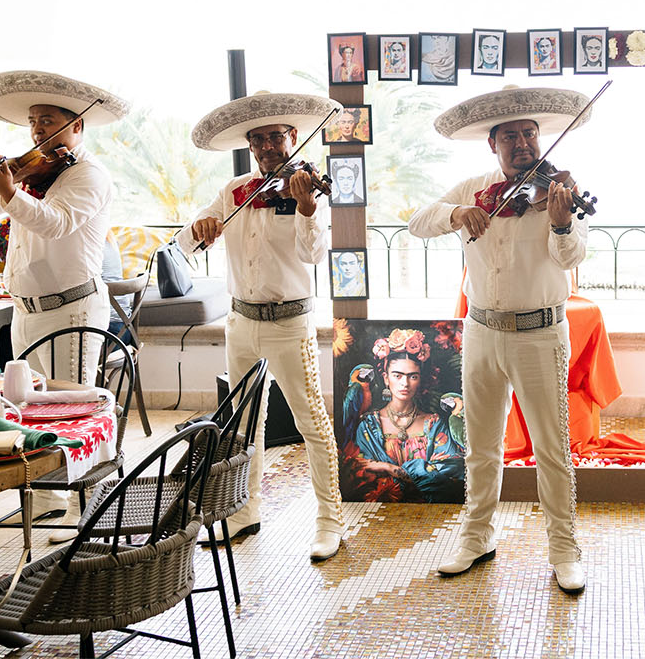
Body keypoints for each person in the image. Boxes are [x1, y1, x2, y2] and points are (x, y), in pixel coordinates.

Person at [407, 85, 593, 594]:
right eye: (510, 136)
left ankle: (563, 549)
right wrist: (454, 215)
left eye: (529, 134)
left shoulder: (556, 189)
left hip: (539, 334)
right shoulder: (473, 188)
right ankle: (477, 536)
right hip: (481, 331)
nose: (522, 144)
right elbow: (416, 223)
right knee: (481, 445)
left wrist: (561, 223)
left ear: (540, 138)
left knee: (551, 449)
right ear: (493, 144)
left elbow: (572, 259)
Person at [0, 70, 126, 518]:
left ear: (77, 125)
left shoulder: (90, 174)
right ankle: (48, 497)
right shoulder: (32, 171)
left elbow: (55, 221)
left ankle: (92, 503)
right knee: (28, 405)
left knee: (74, 406)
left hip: (71, 308)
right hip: (24, 308)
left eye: (47, 119)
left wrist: (8, 189)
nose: (37, 130)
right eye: (32, 122)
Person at [178, 91, 346, 562]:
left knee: (309, 420)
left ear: (293, 138)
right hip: (240, 321)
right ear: (250, 146)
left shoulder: (304, 188)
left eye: (277, 136)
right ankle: (242, 512)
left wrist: (308, 209)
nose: (269, 146)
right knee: (243, 425)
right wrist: (200, 229)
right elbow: (185, 242)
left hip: (289, 323)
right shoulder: (235, 189)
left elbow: (314, 255)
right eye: (259, 140)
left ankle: (329, 522)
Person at [343, 327, 465, 502]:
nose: (405, 383)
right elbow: (363, 478)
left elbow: (449, 474)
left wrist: (389, 468)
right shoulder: (368, 427)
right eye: (397, 375)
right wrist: (419, 475)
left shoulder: (434, 424)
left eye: (413, 376)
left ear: (421, 379)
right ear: (386, 378)